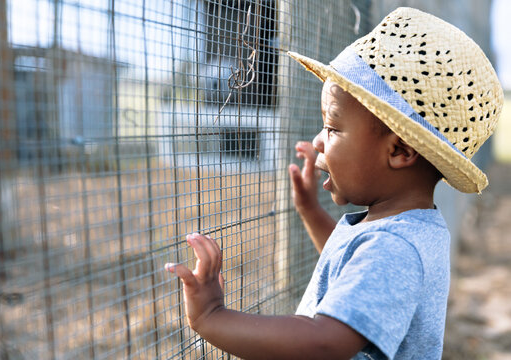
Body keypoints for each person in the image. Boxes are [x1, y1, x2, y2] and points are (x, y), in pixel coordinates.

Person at [164, 7, 503, 359]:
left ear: (400, 150)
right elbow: (353, 267)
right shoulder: (406, 229)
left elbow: (324, 342)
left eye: (333, 127)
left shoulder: (396, 248)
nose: (317, 142)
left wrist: (211, 317)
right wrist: (310, 210)